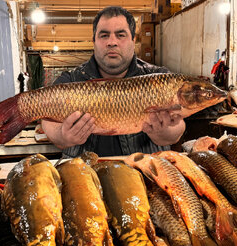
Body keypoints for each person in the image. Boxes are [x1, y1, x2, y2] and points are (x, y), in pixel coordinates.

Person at [41, 6, 185, 158]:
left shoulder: (160, 78)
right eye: (104, 35)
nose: (112, 42)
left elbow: (179, 125)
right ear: (94, 41)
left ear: (133, 40)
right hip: (83, 175)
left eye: (120, 35)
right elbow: (47, 121)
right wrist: (62, 136)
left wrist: (166, 134)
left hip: (145, 174)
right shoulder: (71, 81)